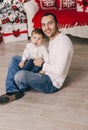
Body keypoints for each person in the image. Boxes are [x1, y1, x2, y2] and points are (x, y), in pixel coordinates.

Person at [0, 13, 74, 104]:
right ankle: (12, 91)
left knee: (20, 75)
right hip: (43, 70)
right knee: (15, 59)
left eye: (50, 23)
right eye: (43, 24)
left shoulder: (63, 43)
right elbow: (48, 57)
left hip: (50, 82)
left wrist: (42, 64)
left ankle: (21, 86)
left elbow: (60, 71)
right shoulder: (54, 39)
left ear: (57, 24)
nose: (47, 28)